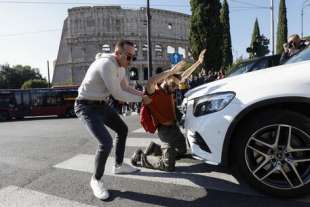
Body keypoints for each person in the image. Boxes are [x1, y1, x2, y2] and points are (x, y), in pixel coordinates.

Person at [74, 40, 148, 200]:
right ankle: (96, 179)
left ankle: (119, 165)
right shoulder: (106, 64)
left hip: (101, 104)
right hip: (85, 106)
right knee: (105, 142)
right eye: (129, 57)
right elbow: (118, 94)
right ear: (118, 53)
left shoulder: (121, 67)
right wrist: (142, 101)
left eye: (133, 58)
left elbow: (126, 87)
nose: (131, 61)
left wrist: (143, 95)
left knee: (122, 129)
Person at [130, 50, 205, 172]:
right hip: (164, 131)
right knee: (168, 165)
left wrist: (198, 62)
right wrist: (172, 71)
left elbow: (185, 75)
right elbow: (151, 81)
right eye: (173, 84)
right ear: (167, 78)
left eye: (177, 86)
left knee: (182, 151)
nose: (175, 87)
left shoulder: (171, 89)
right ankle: (140, 158)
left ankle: (155, 149)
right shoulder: (154, 92)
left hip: (174, 128)